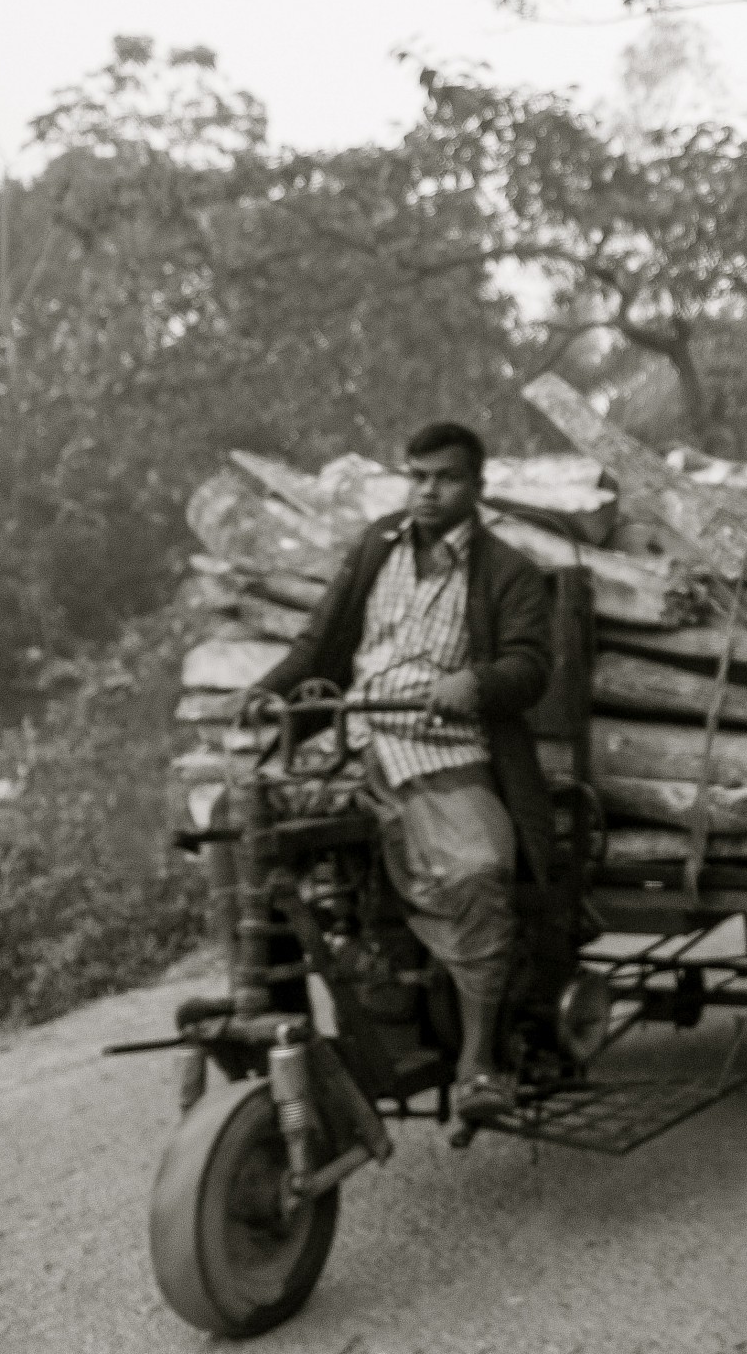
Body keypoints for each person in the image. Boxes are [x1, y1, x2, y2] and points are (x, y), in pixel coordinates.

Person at [251, 421, 553, 1123]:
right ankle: (276, 1021)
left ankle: (479, 1062)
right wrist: (264, 695)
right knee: (248, 836)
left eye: (444, 477)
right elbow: (318, 642)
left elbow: (532, 664)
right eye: (416, 475)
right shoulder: (377, 547)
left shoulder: (506, 570)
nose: (427, 490)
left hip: (441, 748)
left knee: (479, 868)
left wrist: (476, 683)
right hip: (355, 740)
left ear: (477, 486)